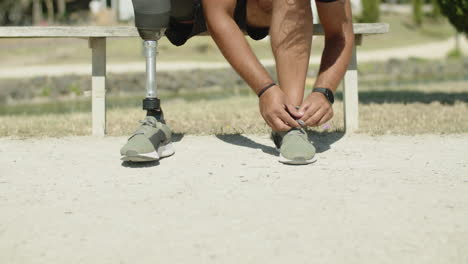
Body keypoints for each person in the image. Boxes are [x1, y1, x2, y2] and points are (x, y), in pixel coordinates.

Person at [120, 0, 354, 165]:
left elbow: (341, 32)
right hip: (186, 8)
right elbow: (216, 14)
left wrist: (324, 91)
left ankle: (289, 123)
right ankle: (153, 119)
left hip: (257, 8)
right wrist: (265, 90)